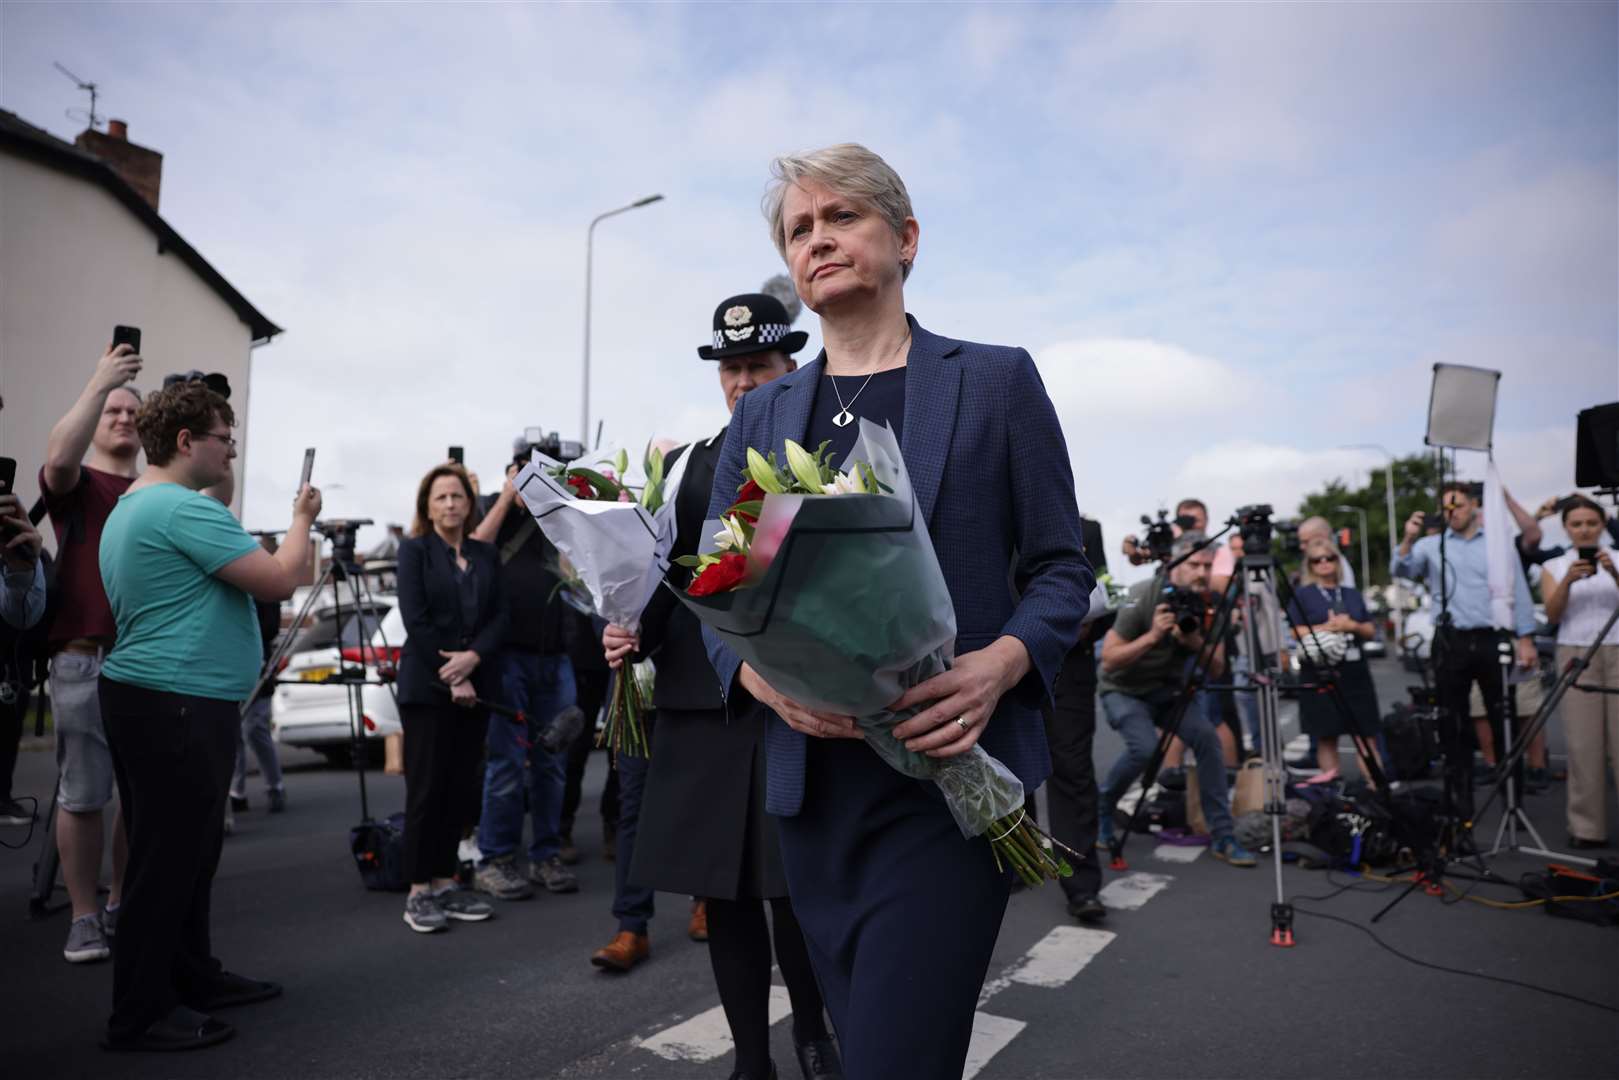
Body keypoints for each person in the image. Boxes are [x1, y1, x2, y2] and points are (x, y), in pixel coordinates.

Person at [700, 144, 1094, 1079]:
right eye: (800, 229)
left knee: (893, 1056)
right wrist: (761, 678)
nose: (818, 239)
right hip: (813, 795)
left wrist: (996, 666)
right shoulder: (759, 418)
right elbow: (713, 591)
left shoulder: (995, 380)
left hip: (951, 780)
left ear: (905, 238)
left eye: (841, 218)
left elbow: (1059, 569)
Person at [601, 289, 840, 1080]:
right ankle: (749, 1059)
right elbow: (665, 581)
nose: (742, 382)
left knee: (792, 892)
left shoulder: (825, 459)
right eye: (731, 368)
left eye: (758, 365)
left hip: (792, 702)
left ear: (789, 366)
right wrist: (625, 626)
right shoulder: (684, 467)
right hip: (700, 707)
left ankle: (814, 1033)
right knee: (727, 895)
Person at [97, 381, 317, 1051]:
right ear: (187, 442)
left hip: (159, 698)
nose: (233, 452)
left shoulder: (139, 504)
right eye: (226, 439)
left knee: (183, 855)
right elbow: (282, 579)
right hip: (178, 700)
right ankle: (140, 1011)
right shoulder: (180, 509)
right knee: (167, 861)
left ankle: (192, 977)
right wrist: (302, 516)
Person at [39, 342, 142, 965]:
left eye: (134, 410)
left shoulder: (155, 491)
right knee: (83, 794)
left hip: (146, 661)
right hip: (83, 657)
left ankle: (120, 902)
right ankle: (82, 917)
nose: (124, 417)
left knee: (137, 795)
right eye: (113, 410)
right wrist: (101, 383)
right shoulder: (78, 484)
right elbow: (56, 457)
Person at [1096, 532, 1256, 866]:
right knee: (1144, 749)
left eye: (1208, 565)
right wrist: (1154, 636)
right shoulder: (1144, 595)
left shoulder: (1211, 604)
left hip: (1167, 691)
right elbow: (1109, 660)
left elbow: (1217, 669)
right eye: (1194, 564)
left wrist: (1195, 641)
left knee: (1207, 740)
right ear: (1175, 565)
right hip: (1123, 689)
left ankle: (1223, 835)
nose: (1201, 572)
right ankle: (1103, 810)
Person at [394, 463, 505, 933]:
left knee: (461, 787)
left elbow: (500, 616)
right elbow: (415, 620)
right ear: (427, 505)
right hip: (428, 686)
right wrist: (453, 673)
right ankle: (418, 888)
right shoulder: (414, 551)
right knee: (427, 789)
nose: (450, 505)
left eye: (457, 496)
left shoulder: (485, 554)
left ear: (469, 502)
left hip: (475, 686)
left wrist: (474, 658)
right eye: (440, 497)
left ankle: (444, 880)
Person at [468, 441, 580, 900]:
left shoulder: (555, 520)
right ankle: (495, 857)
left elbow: (582, 570)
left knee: (553, 761)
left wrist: (560, 503)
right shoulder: (497, 514)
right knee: (508, 762)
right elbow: (475, 549)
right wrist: (507, 496)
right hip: (508, 658)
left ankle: (545, 855)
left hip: (555, 655)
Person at [1392, 482, 1537, 815]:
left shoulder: (1498, 546)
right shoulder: (1432, 545)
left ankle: (1512, 799)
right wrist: (1408, 539)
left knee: (1504, 716)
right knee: (1452, 721)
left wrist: (1525, 637)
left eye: (1457, 505)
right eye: (1445, 508)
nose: (1451, 513)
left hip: (1491, 637)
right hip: (1451, 639)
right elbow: (1401, 571)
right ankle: (1461, 800)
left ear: (1474, 506)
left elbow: (1519, 592)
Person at [1039, 513, 1111, 924]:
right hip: (999, 656)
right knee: (1007, 763)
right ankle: (1011, 865)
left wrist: (1090, 624)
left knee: (1072, 770)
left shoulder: (1088, 530)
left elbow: (1108, 591)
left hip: (1070, 663)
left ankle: (1081, 883)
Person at [1539, 496, 1618, 850]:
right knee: (1584, 745)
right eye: (1577, 524)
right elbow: (1553, 616)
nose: (1584, 530)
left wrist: (1613, 572)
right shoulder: (1555, 566)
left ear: (1602, 524)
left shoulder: (1617, 558)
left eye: (1591, 523)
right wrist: (1568, 581)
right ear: (1566, 528)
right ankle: (1588, 828)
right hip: (1575, 650)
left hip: (1617, 649)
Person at [1285, 538, 1383, 785]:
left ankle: (1376, 788)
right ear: (1310, 565)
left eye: (1329, 558)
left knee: (1366, 734)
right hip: (1319, 670)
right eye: (1317, 560)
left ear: (1338, 562)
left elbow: (1371, 630)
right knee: (1326, 735)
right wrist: (1325, 628)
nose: (1324, 563)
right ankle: (1332, 790)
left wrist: (1352, 626)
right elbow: (1294, 632)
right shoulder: (1303, 595)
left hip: (1354, 670)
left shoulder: (1351, 594)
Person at [229, 537, 287, 816]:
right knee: (232, 733)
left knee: (255, 729)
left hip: (258, 665)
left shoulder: (264, 587)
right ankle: (236, 792)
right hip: (230, 665)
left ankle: (275, 785)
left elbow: (270, 628)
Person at [0, 492, 48, 826]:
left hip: (13, 665)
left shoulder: (26, 551)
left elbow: (24, 614)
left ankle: (2, 797)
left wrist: (21, 569)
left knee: (7, 731)